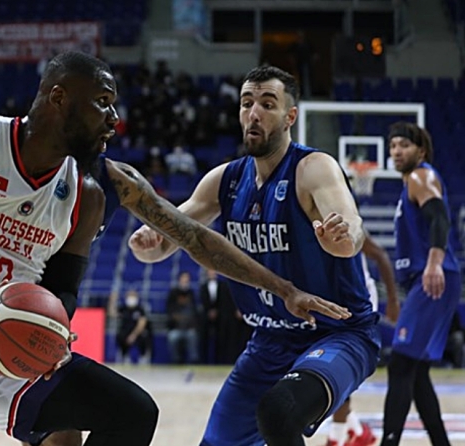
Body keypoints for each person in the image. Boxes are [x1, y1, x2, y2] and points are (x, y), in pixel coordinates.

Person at [0, 53, 349, 446]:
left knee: (130, 413)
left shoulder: (93, 191)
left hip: (7, 343)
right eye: (102, 103)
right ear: (59, 99)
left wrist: (51, 334)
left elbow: (184, 242)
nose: (115, 119)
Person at [129, 65, 380, 446]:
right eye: (247, 103)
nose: (254, 113)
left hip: (338, 334)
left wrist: (340, 238)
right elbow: (166, 242)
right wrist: (147, 243)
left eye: (267, 103)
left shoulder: (314, 168)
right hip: (269, 340)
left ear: (290, 116)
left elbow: (351, 230)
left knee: (279, 412)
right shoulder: (225, 180)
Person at [380, 121, 462, 446]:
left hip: (434, 277)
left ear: (421, 151)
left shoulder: (420, 177)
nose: (397, 151)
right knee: (416, 370)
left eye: (404, 145)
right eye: (393, 146)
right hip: (431, 278)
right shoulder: (411, 184)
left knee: (400, 363)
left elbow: (440, 217)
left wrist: (434, 262)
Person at [326, 233, 399, 446]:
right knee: (326, 364)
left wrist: (392, 300)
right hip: (331, 299)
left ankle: (337, 437)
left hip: (357, 302)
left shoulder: (345, 224)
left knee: (337, 363)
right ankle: (357, 431)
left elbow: (381, 255)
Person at [109, 289, 152, 364]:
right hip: (126, 331)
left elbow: (142, 323)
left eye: (133, 296)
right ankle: (124, 356)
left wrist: (133, 335)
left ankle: (143, 356)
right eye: (129, 296)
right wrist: (112, 301)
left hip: (137, 332)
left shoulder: (140, 309)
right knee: (120, 336)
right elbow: (112, 313)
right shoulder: (124, 308)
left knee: (144, 336)